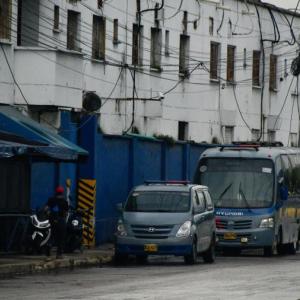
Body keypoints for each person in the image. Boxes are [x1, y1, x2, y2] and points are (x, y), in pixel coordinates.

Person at [46, 186, 69, 259]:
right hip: (61, 220)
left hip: (52, 220)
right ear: (62, 193)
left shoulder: (51, 200)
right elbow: (66, 212)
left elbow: (46, 208)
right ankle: (59, 254)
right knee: (61, 238)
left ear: (56, 192)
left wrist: (48, 214)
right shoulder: (64, 201)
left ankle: (48, 252)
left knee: (52, 236)